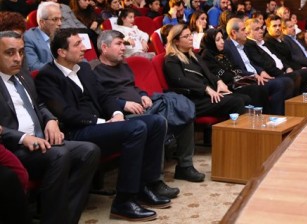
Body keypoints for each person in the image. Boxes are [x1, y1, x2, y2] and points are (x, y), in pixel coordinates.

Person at [35, 29, 174, 221]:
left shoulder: (83, 68)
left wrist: (116, 113)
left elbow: (104, 97)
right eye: (77, 44)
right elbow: (65, 113)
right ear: (62, 52)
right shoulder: (47, 75)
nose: (84, 47)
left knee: (156, 122)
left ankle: (146, 185)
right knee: (136, 128)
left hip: (101, 125)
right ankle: (124, 201)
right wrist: (102, 121)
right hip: (77, 131)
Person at [0, 31, 100, 224]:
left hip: (41, 141)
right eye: (10, 53)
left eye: (21, 52)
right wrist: (22, 137)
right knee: (59, 155)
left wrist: (51, 120)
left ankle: (62, 217)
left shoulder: (23, 76)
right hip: (13, 148)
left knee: (89, 150)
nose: (18, 58)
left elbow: (40, 105)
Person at [92, 30, 205, 183]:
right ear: (104, 48)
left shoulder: (123, 65)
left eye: (123, 44)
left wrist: (143, 94)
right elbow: (98, 99)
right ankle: (155, 180)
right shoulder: (94, 70)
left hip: (143, 105)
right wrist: (122, 104)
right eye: (118, 44)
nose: (123, 48)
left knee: (185, 112)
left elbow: (133, 87)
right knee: (158, 122)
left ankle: (185, 166)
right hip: (121, 115)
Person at [163, 24, 250, 119]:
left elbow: (208, 73)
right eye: (186, 36)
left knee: (245, 98)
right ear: (176, 41)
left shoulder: (195, 56)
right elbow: (180, 81)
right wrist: (205, 89)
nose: (191, 38)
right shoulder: (172, 59)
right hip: (192, 99)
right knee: (236, 102)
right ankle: (231, 133)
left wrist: (218, 81)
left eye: (190, 34)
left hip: (205, 95)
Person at [200, 28, 280, 114]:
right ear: (211, 42)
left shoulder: (225, 51)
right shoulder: (207, 55)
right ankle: (259, 120)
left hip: (237, 81)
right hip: (227, 86)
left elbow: (237, 68)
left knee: (260, 87)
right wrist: (234, 73)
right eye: (218, 40)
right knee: (256, 89)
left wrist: (235, 73)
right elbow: (223, 75)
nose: (222, 42)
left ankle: (266, 117)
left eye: (222, 38)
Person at [223, 18, 294, 114]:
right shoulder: (227, 47)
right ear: (233, 33)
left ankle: (279, 115)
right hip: (245, 81)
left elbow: (251, 63)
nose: (246, 33)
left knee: (287, 81)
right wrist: (253, 75)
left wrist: (261, 71)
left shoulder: (242, 44)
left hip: (257, 77)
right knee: (279, 84)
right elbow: (235, 69)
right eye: (243, 30)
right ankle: (273, 116)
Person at [24, 2, 63, 71]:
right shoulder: (29, 38)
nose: (60, 23)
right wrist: (62, 67)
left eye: (61, 19)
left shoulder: (60, 34)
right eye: (55, 19)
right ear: (42, 22)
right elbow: (34, 67)